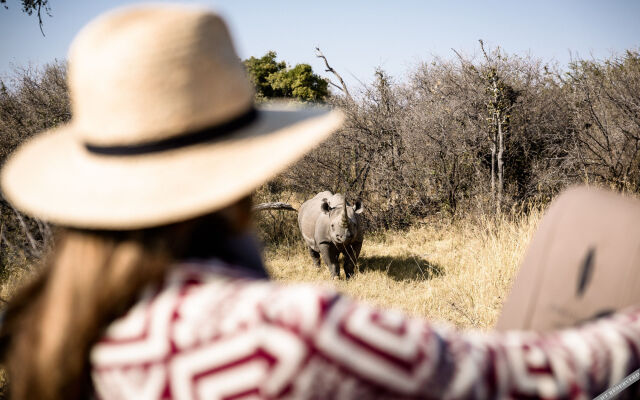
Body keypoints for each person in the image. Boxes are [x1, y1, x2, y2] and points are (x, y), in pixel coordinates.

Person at [0, 4, 638, 400]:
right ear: (243, 173)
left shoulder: (51, 332)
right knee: (588, 217)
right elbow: (521, 376)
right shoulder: (287, 335)